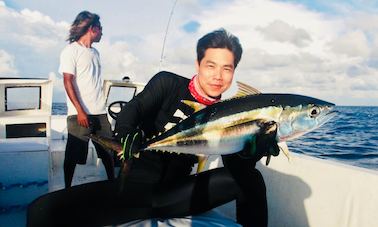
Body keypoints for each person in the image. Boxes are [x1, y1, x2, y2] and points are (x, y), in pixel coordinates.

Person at [27, 28, 278, 227]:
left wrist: (250, 152)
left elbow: (237, 170)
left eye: (227, 68)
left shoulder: (230, 113)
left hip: (177, 195)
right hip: (131, 192)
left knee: (252, 180)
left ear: (234, 72)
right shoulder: (168, 83)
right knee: (40, 212)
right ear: (198, 64)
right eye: (210, 65)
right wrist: (126, 135)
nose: (218, 76)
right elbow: (132, 110)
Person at [58, 11, 114, 188]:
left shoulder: (96, 53)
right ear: (92, 29)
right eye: (101, 29)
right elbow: (67, 81)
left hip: (100, 112)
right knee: (73, 155)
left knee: (108, 152)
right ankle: (67, 189)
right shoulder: (71, 50)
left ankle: (114, 186)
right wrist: (80, 110)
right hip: (79, 114)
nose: (102, 33)